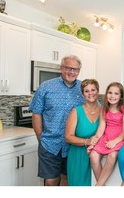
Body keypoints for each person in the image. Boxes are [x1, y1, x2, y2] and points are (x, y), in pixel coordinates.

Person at [29, 55, 84, 186]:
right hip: (49, 143)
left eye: (75, 69)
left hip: (73, 145)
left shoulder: (84, 88)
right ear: (61, 68)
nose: (72, 72)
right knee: (51, 181)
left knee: (68, 179)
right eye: (68, 68)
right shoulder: (46, 87)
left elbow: (96, 109)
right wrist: (40, 138)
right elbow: (36, 113)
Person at [89, 82, 124, 186]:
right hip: (106, 137)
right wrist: (94, 141)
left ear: (121, 97)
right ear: (106, 95)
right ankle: (102, 185)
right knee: (93, 155)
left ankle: (99, 185)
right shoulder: (104, 110)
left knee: (112, 155)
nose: (112, 96)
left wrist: (114, 141)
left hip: (119, 138)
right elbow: (101, 128)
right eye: (110, 93)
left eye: (116, 93)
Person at [65, 79, 101, 186]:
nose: (90, 93)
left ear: (98, 91)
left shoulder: (104, 111)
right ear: (82, 94)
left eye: (93, 90)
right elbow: (68, 137)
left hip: (98, 157)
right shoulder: (76, 111)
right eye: (86, 91)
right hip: (78, 158)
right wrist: (87, 141)